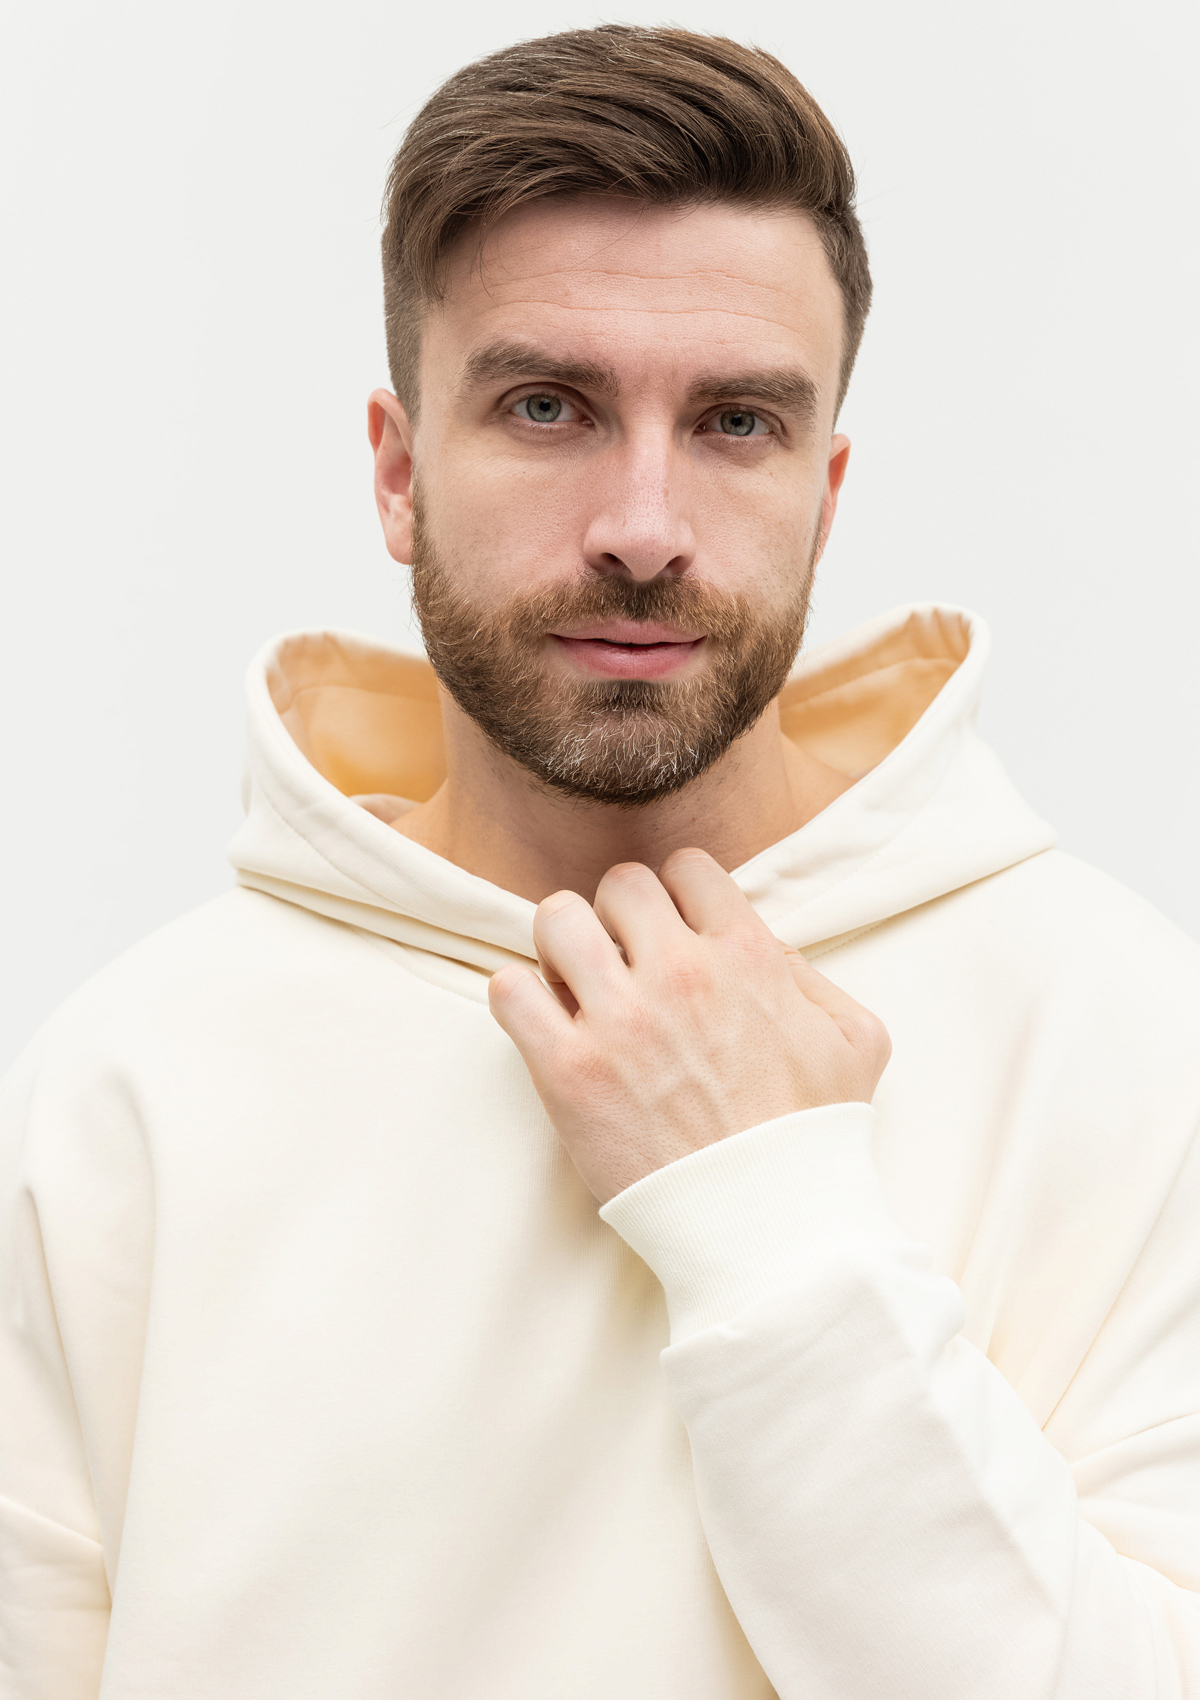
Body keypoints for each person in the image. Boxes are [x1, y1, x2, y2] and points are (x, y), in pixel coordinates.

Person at [2, 23, 1198, 1699]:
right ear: (398, 473)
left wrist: (774, 1224)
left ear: (826, 493)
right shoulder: (119, 1091)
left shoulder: (1122, 1036)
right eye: (547, 406)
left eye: (735, 422)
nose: (643, 525)